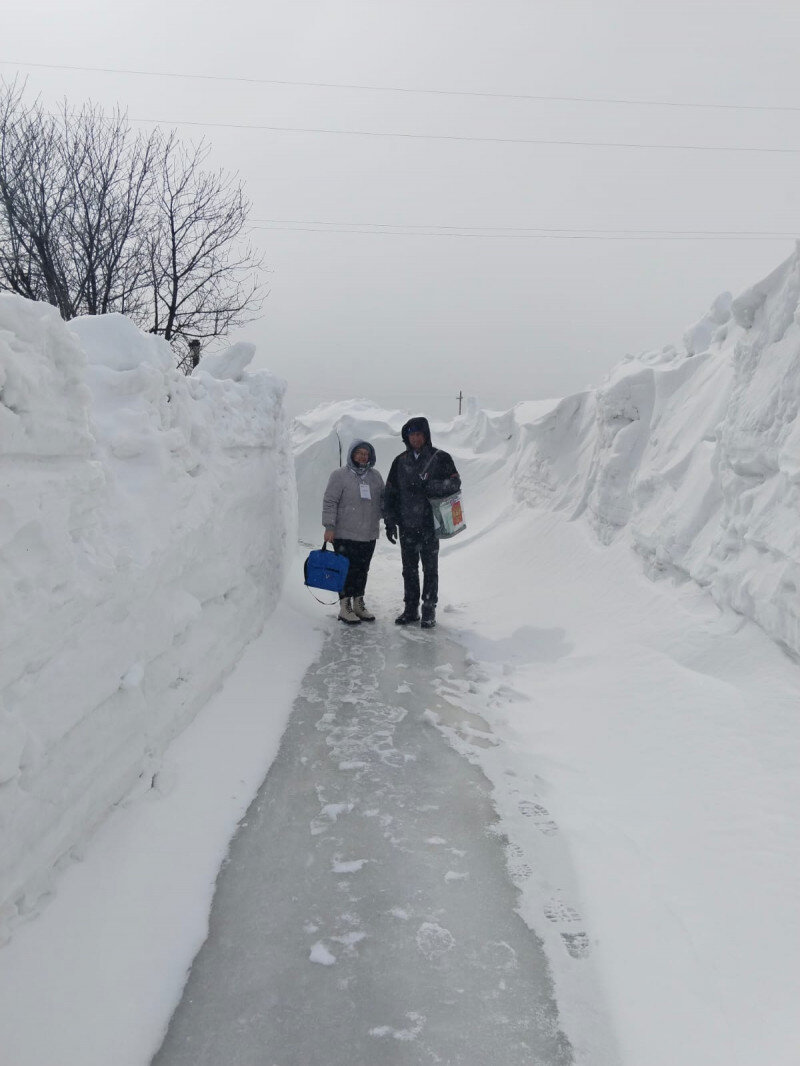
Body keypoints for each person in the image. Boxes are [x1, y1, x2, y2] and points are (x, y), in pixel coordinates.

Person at [383, 416, 461, 629]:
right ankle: (410, 609)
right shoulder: (399, 461)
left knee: (430, 569)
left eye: (419, 434)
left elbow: (455, 483)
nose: (415, 438)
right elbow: (389, 493)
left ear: (425, 435)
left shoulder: (440, 458)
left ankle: (428, 609)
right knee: (408, 569)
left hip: (430, 525)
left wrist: (430, 487)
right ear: (406, 437)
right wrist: (389, 521)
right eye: (411, 434)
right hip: (406, 525)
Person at [322, 440, 385, 625]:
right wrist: (329, 527)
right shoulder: (339, 475)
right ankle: (345, 606)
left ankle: (358, 603)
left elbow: (383, 501)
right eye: (359, 453)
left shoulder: (375, 477)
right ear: (352, 454)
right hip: (344, 533)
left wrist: (389, 518)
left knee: (362, 570)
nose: (363, 456)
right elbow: (330, 501)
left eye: (366, 453)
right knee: (345, 570)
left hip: (368, 534)